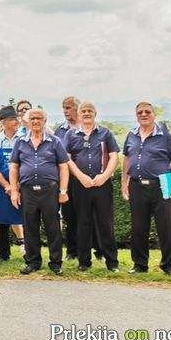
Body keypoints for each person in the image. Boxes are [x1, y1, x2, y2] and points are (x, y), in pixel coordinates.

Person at [121, 102, 171, 277]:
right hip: (136, 186)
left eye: (147, 112)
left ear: (154, 115)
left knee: (166, 228)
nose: (143, 114)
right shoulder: (131, 135)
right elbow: (127, 160)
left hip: (161, 187)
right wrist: (124, 183)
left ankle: (169, 266)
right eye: (140, 112)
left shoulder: (165, 136)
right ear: (136, 116)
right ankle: (140, 265)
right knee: (138, 228)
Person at [10, 108, 70, 275]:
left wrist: (63, 190)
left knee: (53, 227)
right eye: (33, 118)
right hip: (28, 191)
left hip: (49, 190)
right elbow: (14, 167)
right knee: (30, 227)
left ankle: (56, 262)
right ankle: (33, 261)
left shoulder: (55, 141)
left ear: (45, 121)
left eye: (39, 118)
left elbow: (63, 166)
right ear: (28, 122)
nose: (35, 121)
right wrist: (14, 190)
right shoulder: (20, 142)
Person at [65, 102, 119, 272]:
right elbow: (66, 159)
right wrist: (81, 177)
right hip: (80, 185)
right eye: (83, 111)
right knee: (83, 223)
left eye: (90, 111)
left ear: (95, 114)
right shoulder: (71, 134)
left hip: (102, 184)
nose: (86, 113)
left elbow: (114, 157)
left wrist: (104, 176)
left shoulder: (105, 133)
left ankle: (112, 263)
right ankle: (84, 262)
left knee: (105, 223)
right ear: (79, 115)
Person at [0, 106, 24, 263]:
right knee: (2, 220)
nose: (16, 122)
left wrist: (18, 184)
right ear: (4, 122)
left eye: (16, 119)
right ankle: (3, 253)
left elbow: (26, 162)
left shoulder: (23, 139)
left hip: (22, 183)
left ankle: (31, 252)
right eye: (13, 119)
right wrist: (7, 186)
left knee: (26, 217)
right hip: (2, 185)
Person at [54, 95, 81, 261]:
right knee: (69, 215)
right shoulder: (60, 130)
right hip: (66, 179)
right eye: (64, 107)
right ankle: (72, 251)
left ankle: (97, 250)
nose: (65, 111)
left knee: (87, 216)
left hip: (84, 177)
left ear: (77, 108)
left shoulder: (85, 127)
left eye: (69, 107)